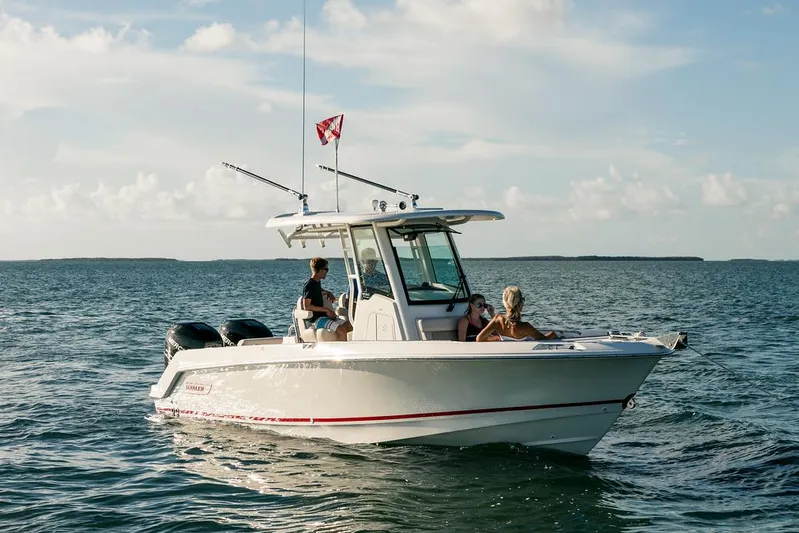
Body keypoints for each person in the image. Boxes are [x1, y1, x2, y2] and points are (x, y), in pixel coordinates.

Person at [475, 286, 559, 342]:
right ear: (520, 303)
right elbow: (545, 340)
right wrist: (553, 334)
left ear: (505, 302)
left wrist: (498, 338)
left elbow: (479, 338)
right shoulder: (526, 327)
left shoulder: (497, 320)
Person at [303, 257, 353, 341]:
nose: (327, 272)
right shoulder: (309, 285)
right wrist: (326, 310)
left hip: (324, 316)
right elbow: (307, 306)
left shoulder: (316, 283)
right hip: (317, 319)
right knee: (341, 331)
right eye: (326, 269)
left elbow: (319, 290)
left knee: (350, 326)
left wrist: (328, 292)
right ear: (321, 270)